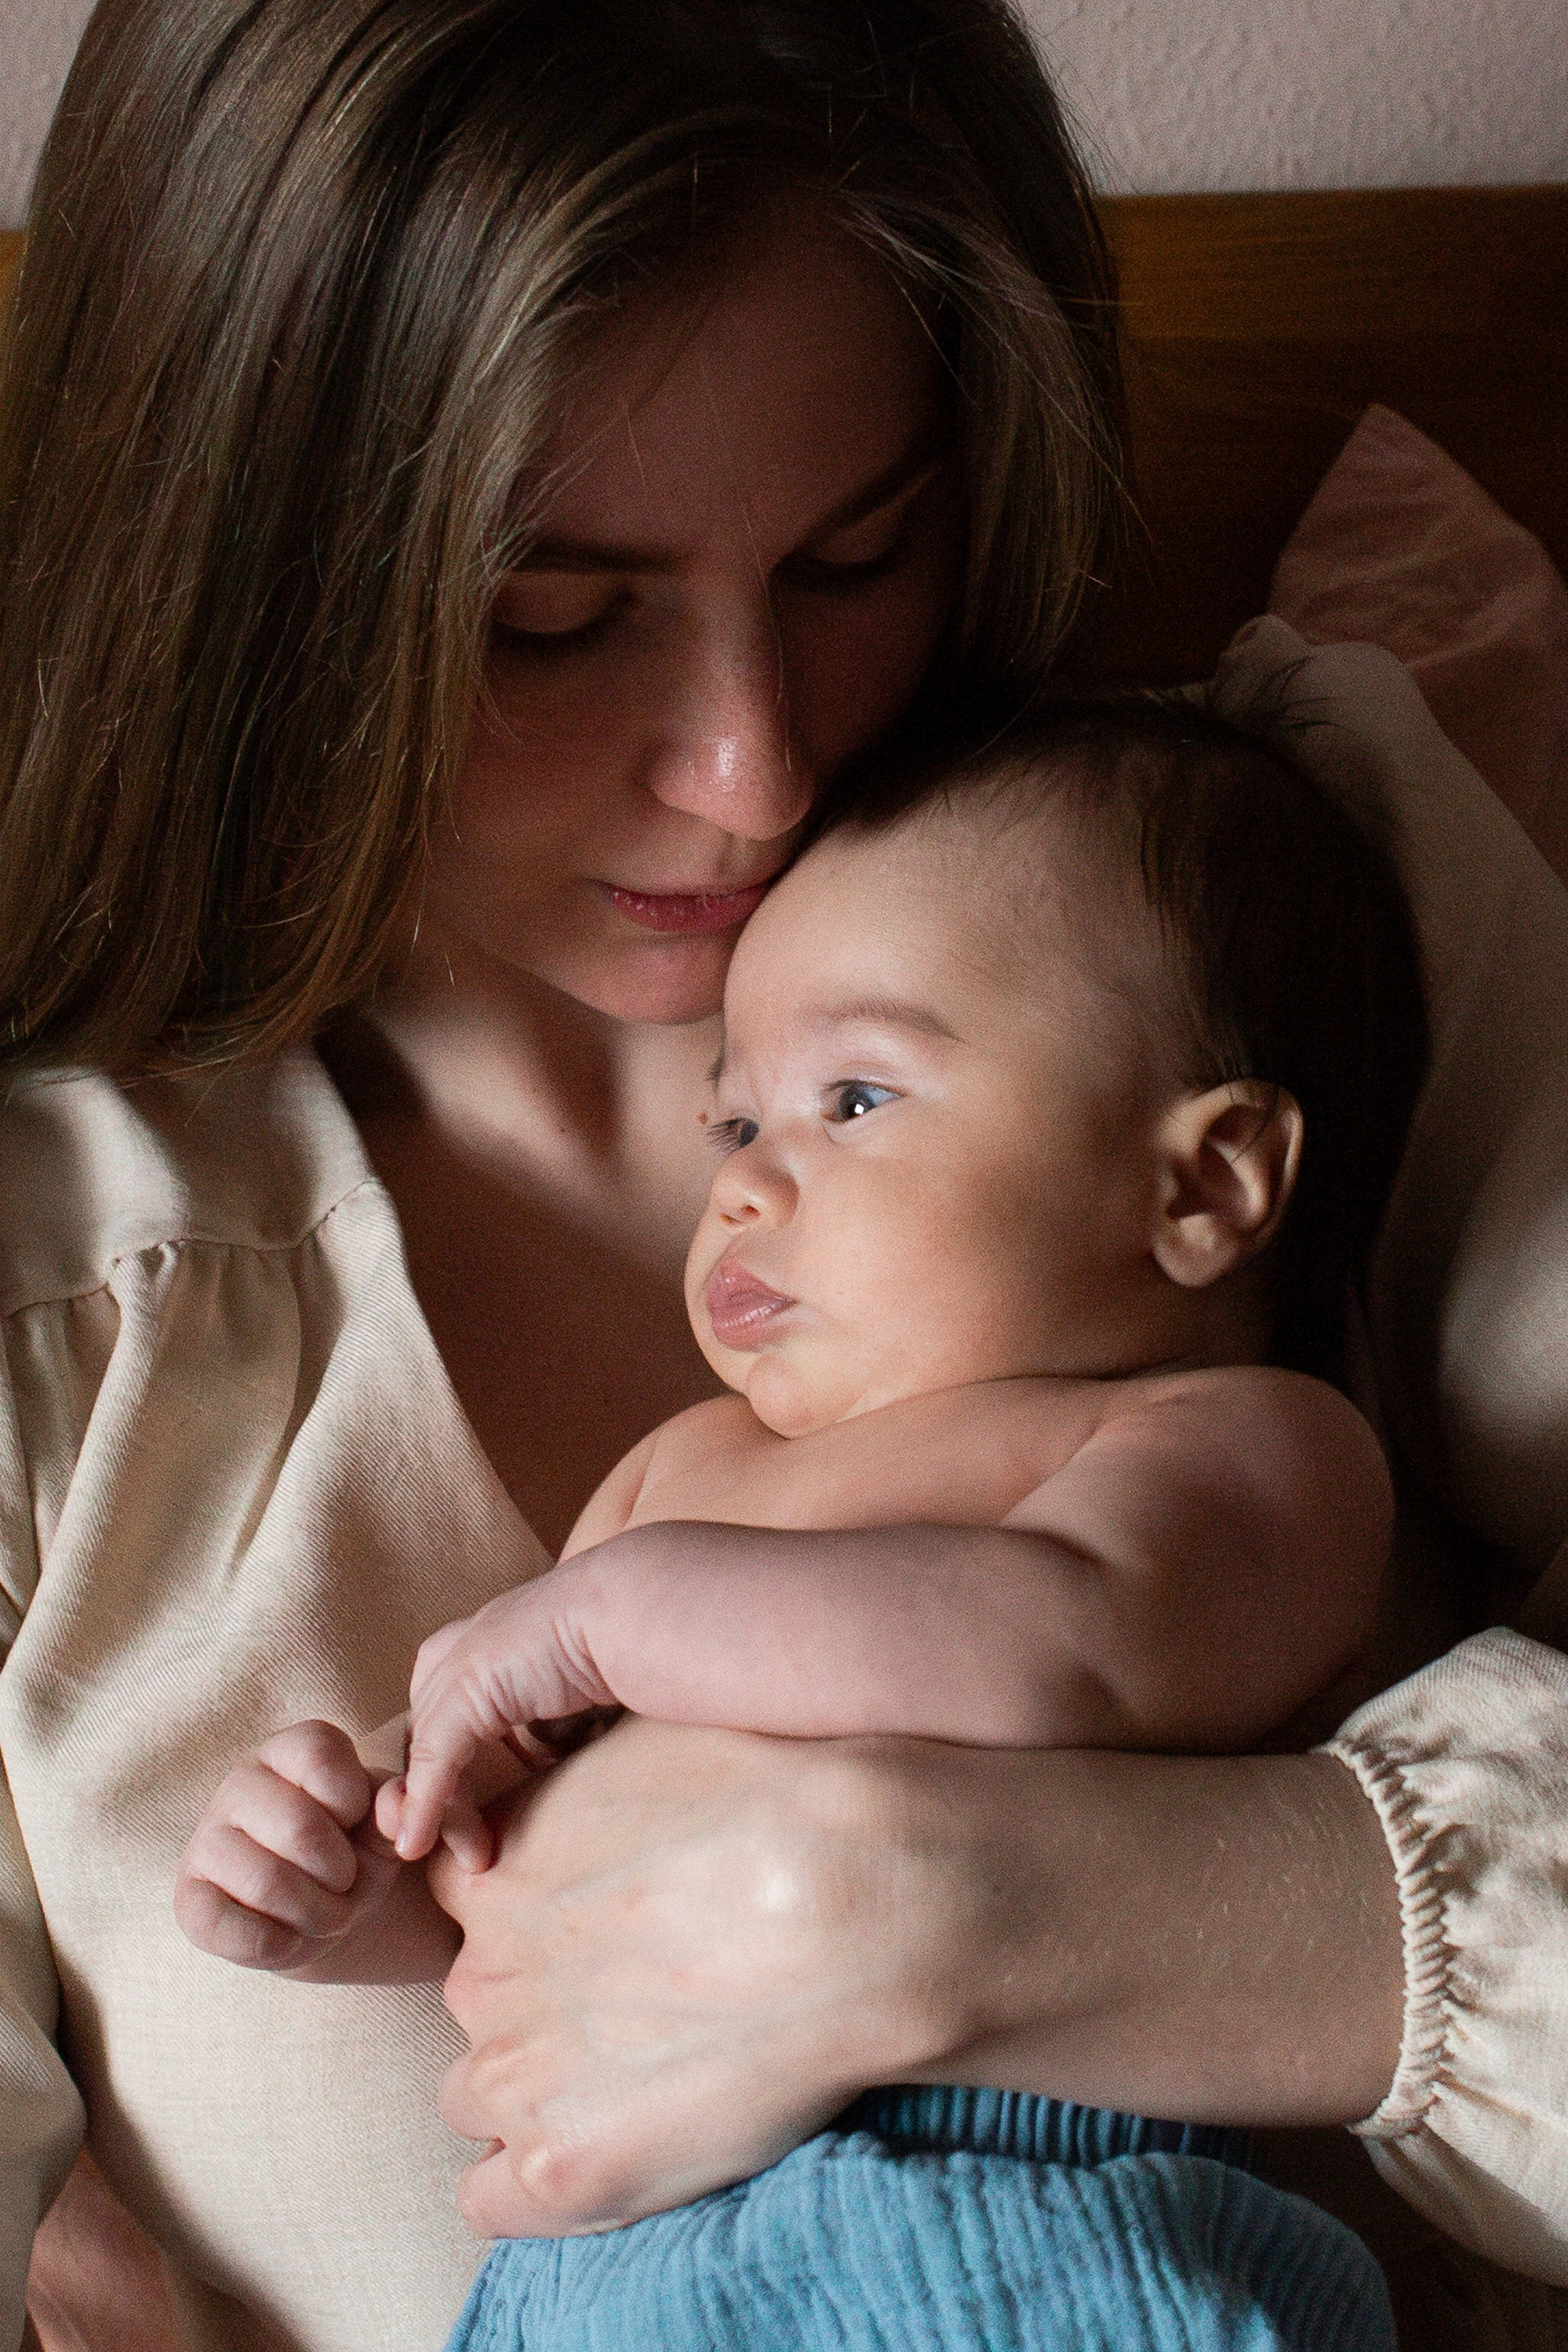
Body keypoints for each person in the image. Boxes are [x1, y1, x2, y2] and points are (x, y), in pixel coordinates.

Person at [1, 3, 1566, 2352]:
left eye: (860, 555)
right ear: (258, 586)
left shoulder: (1268, 932)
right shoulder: (63, 1288)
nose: (754, 771)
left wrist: (1004, 1910)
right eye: (554, 614)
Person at [177, 698, 1428, 2350]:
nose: (747, 1188)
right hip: (596, 2278)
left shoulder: (1243, 1443)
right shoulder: (676, 1477)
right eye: (735, 1121)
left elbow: (1061, 1647)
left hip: (1017, 2239)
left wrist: (611, 1620)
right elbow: (532, 1871)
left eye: (854, 1098)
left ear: (1201, 1188)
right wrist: (355, 1883)